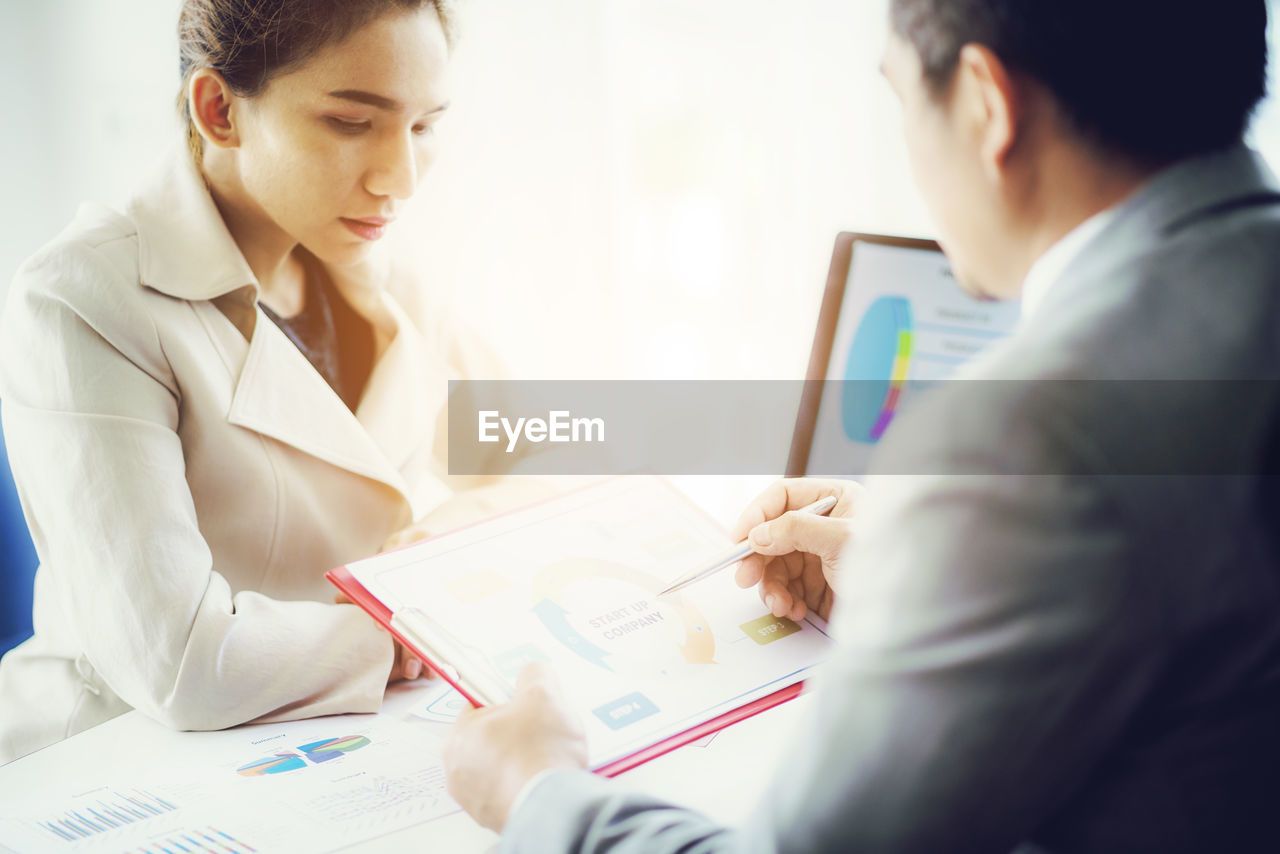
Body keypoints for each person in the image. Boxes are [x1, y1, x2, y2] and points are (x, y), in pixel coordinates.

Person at [441, 1, 1280, 851]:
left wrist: (537, 790)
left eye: (902, 100)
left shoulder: (1022, 437)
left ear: (988, 105)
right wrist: (936, 583)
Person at [0, 0, 537, 765]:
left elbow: (545, 447)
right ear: (220, 110)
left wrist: (452, 536)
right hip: (116, 761)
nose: (403, 179)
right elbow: (184, 662)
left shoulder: (383, 272)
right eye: (352, 123)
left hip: (332, 739)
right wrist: (417, 618)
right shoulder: (81, 296)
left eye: (423, 127)